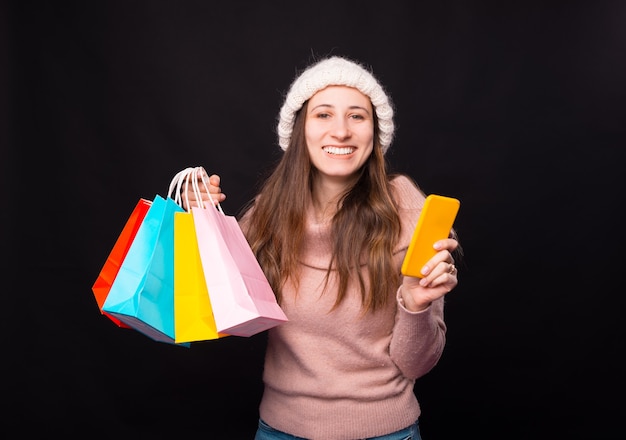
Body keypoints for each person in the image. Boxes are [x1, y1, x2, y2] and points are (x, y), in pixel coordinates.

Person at [180, 55, 461, 440]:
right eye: (324, 114)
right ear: (300, 130)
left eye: (357, 116)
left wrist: (415, 304)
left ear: (374, 133)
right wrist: (201, 224)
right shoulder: (269, 214)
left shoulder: (410, 215)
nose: (341, 131)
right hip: (281, 431)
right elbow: (212, 310)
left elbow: (416, 364)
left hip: (384, 433)